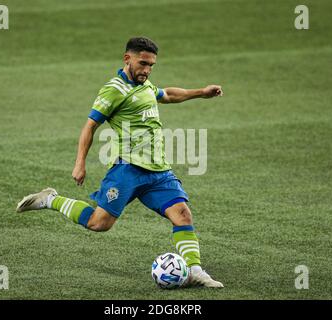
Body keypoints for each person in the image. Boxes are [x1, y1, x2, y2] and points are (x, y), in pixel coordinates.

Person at [16, 37, 224, 288]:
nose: (147, 70)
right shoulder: (113, 90)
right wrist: (79, 162)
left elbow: (167, 94)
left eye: (151, 65)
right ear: (127, 59)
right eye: (143, 63)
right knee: (98, 223)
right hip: (127, 169)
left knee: (182, 214)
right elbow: (90, 125)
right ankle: (50, 199)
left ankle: (195, 271)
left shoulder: (145, 86)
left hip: (158, 171)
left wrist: (201, 92)